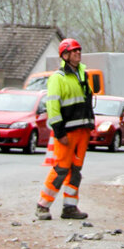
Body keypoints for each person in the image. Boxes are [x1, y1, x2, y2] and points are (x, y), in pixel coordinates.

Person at [36, 38, 95, 221]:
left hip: (82, 131)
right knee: (61, 169)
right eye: (74, 51)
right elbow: (53, 107)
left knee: (76, 171)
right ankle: (42, 206)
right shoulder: (57, 78)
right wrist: (59, 132)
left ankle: (70, 207)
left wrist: (90, 126)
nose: (78, 53)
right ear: (65, 55)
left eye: (79, 50)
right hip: (67, 133)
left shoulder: (83, 74)